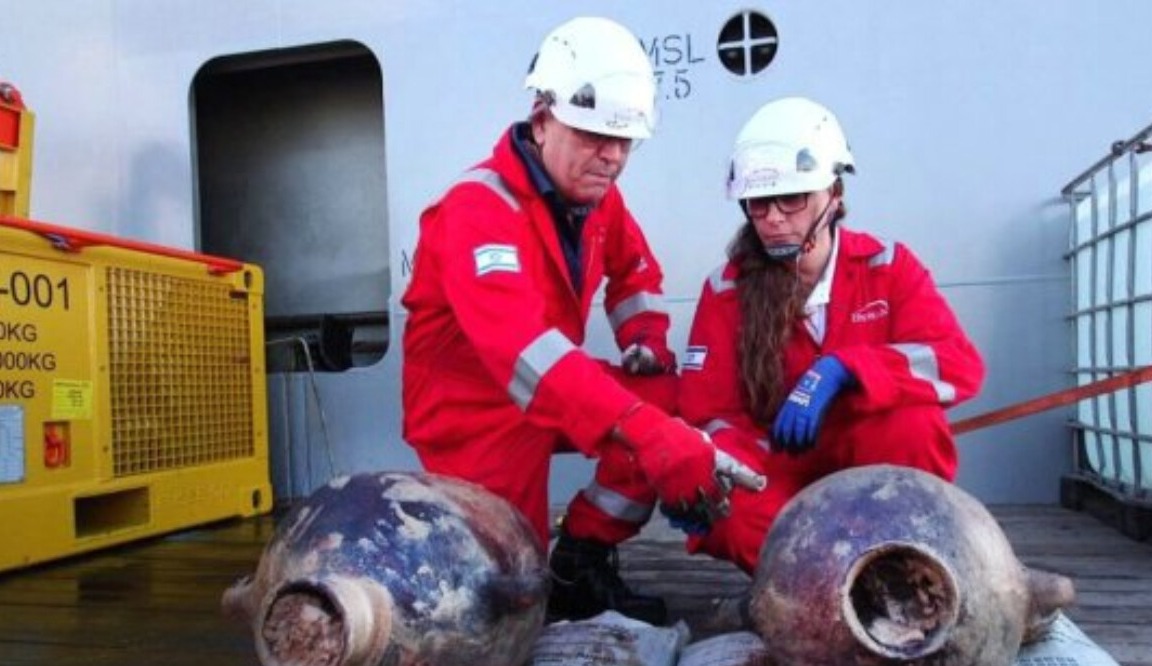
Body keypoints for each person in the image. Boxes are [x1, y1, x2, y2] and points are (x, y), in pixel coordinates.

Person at [400, 16, 731, 625]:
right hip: (473, 414)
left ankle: (581, 558)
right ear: (542, 118)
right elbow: (523, 352)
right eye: (595, 136)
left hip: (554, 388)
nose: (613, 157)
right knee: (511, 589)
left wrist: (645, 342)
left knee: (666, 398)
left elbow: (635, 272)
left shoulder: (597, 196)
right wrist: (643, 430)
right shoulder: (476, 210)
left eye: (625, 141)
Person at [678, 96, 986, 577]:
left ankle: (897, 564)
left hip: (869, 463)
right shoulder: (726, 290)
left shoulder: (887, 267)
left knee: (915, 424)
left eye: (792, 198)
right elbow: (707, 411)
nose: (773, 217)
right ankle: (844, 585)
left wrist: (845, 369)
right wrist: (736, 466)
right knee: (728, 506)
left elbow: (958, 365)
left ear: (834, 194)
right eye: (759, 202)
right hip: (779, 469)